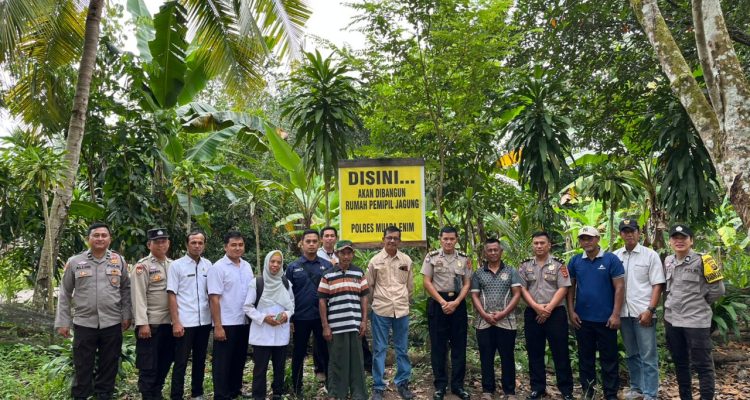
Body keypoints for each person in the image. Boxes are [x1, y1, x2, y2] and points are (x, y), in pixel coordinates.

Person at [54, 222, 132, 400]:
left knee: (109, 364)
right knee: (83, 365)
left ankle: (104, 395)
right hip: (84, 323)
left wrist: (127, 314)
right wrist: (63, 322)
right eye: (96, 235)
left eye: (104, 235)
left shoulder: (119, 261)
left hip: (112, 322)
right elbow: (65, 292)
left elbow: (126, 289)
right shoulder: (75, 262)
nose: (100, 238)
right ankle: (80, 396)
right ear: (88, 239)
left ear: (110, 239)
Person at [663, 224, 725, 400]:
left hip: (696, 321)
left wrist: (699, 304)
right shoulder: (668, 260)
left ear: (691, 241)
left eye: (683, 237)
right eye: (675, 238)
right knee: (680, 362)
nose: (679, 241)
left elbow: (718, 290)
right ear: (670, 241)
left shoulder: (704, 260)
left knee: (703, 365)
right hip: (672, 320)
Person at [566, 226, 625, 400]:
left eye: (590, 238)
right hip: (582, 319)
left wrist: (616, 314)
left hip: (606, 319)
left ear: (597, 239)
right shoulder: (575, 261)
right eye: (583, 239)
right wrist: (571, 311)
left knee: (609, 359)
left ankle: (610, 394)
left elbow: (619, 287)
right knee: (586, 359)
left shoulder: (611, 259)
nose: (586, 242)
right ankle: (588, 392)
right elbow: (570, 288)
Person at [518, 232, 574, 400]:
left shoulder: (559, 265)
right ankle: (537, 388)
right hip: (532, 312)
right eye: (536, 243)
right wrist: (536, 307)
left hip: (555, 313)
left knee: (560, 352)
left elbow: (563, 288)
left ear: (549, 245)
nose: (539, 246)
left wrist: (548, 309)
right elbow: (522, 289)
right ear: (532, 245)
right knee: (534, 351)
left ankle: (566, 390)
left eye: (542, 243)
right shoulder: (525, 265)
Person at [614, 219, 665, 400]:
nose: (629, 234)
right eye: (625, 231)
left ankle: (651, 394)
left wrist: (650, 310)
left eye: (632, 231)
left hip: (643, 313)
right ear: (621, 234)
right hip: (623, 313)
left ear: (639, 233)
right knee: (631, 354)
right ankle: (637, 389)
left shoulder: (650, 255)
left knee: (648, 356)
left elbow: (657, 284)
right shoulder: (615, 256)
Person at [421, 227, 472, 400]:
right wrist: (443, 302)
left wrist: (456, 302)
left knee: (459, 346)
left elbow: (467, 283)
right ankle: (440, 386)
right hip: (438, 304)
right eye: (445, 239)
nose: (448, 242)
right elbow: (427, 282)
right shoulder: (432, 257)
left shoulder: (464, 259)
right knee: (438, 346)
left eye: (451, 239)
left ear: (456, 239)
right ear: (440, 239)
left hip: (458, 304)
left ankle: (458, 386)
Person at [366, 226, 415, 400]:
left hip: (401, 310)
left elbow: (410, 286)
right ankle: (378, 386)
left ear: (399, 240)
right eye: (389, 237)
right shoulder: (375, 261)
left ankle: (402, 383)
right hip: (381, 309)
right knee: (379, 349)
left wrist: (404, 301)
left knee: (402, 348)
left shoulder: (406, 260)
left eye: (395, 238)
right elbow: (370, 286)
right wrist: (375, 303)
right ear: (383, 239)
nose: (392, 240)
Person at [470, 238, 522, 400]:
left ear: (501, 252)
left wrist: (503, 313)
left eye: (495, 250)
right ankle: (487, 390)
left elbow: (517, 294)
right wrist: (484, 314)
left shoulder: (511, 271)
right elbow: (474, 295)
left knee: (507, 357)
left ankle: (509, 391)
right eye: (489, 250)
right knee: (486, 357)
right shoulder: (478, 273)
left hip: (506, 321)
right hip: (483, 322)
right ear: (485, 253)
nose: (493, 252)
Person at [317, 226, 373, 372]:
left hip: (354, 324)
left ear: (353, 254)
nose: (346, 256)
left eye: (349, 253)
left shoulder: (358, 273)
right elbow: (322, 300)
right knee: (337, 359)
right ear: (337, 254)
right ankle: (337, 385)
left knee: (356, 359)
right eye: (343, 253)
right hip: (335, 325)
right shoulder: (327, 275)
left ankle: (356, 385)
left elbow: (364, 298)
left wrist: (364, 321)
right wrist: (325, 326)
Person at [208, 231, 254, 400]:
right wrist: (218, 326)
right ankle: (221, 394)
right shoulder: (218, 268)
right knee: (222, 361)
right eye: (233, 245)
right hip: (226, 322)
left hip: (243, 320)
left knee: (239, 358)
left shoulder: (246, 266)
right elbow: (214, 298)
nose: (237, 248)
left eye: (240, 245)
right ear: (225, 247)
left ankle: (235, 389)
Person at [286, 229, 333, 395]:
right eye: (308, 241)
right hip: (300, 318)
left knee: (326, 352)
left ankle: (331, 385)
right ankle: (297, 387)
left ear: (319, 243)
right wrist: (290, 319)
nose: (311, 244)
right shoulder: (293, 267)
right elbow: (287, 295)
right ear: (302, 244)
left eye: (314, 241)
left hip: (322, 318)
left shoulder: (327, 266)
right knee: (298, 352)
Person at [167, 230, 213, 400]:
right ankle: (176, 395)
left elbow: (211, 293)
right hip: (185, 322)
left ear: (204, 245)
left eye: (200, 242)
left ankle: (197, 393)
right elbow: (171, 294)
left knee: (200, 360)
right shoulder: (176, 265)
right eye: (193, 242)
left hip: (204, 321)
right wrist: (176, 322)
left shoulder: (208, 265)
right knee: (181, 361)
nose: (197, 246)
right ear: (187, 244)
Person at [243, 250, 295, 400]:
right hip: (262, 333)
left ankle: (277, 393)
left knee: (279, 367)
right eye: (272, 261)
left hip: (280, 331)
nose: (275, 265)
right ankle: (258, 396)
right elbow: (247, 307)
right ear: (267, 263)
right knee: (260, 368)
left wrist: (286, 315)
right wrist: (263, 318)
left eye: (279, 262)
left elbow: (291, 304)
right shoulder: (257, 283)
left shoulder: (286, 283)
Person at [131, 228, 174, 400]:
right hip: (151, 325)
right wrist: (142, 323)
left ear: (168, 243)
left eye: (164, 241)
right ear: (149, 244)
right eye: (157, 242)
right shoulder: (142, 266)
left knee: (165, 362)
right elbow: (138, 296)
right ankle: (147, 395)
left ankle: (157, 393)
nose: (161, 244)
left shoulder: (173, 265)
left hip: (169, 324)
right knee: (148, 365)